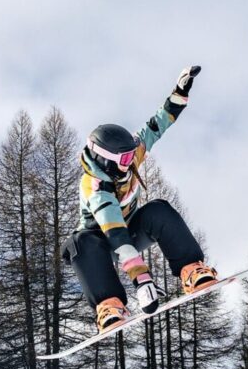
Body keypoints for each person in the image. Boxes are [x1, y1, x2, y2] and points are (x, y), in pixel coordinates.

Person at [62, 65, 218, 333]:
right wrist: (141, 278)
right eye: (123, 159)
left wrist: (179, 93)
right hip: (101, 246)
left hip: (131, 232)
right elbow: (116, 233)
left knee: (158, 209)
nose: (129, 162)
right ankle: (109, 304)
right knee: (78, 242)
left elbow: (156, 126)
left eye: (130, 155)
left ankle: (191, 269)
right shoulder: (95, 187)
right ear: (104, 160)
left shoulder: (130, 159)